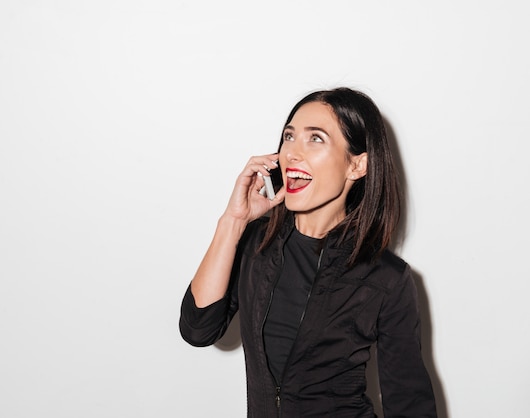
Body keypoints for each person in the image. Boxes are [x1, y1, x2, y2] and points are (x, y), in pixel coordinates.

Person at [178, 87, 437, 417]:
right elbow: (198, 330)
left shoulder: (387, 278)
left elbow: (410, 404)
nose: (292, 153)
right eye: (289, 137)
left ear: (357, 166)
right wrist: (234, 220)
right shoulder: (256, 244)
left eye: (315, 139)